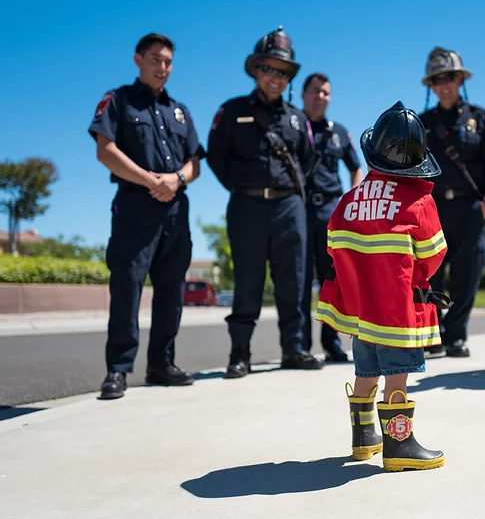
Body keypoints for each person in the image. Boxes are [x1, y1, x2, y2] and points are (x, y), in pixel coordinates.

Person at [316, 101, 451, 472]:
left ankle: (364, 440)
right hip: (397, 313)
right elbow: (433, 255)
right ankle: (399, 444)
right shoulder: (418, 201)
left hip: (361, 315)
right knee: (397, 374)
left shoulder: (349, 200)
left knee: (364, 371)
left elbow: (333, 248)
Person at [88, 33, 205, 400]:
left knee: (172, 291)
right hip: (135, 205)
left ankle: (161, 365)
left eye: (168, 61)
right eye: (155, 59)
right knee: (127, 286)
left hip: (175, 208)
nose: (163, 67)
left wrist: (176, 179)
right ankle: (118, 370)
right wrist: (151, 180)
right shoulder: (119, 101)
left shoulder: (179, 110)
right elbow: (105, 150)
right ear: (138, 59)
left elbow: (195, 163)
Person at [206, 26, 324, 378]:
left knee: (295, 281)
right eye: (269, 68)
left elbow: (310, 159)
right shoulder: (231, 111)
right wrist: (243, 186)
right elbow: (216, 157)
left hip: (289, 208)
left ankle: (295, 349)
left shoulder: (297, 118)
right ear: (256, 69)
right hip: (247, 207)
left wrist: (291, 190)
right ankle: (239, 354)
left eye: (283, 71)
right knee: (248, 281)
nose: (275, 77)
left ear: (289, 77)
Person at [418, 46, 485, 358]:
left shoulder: (480, 119)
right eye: (437, 79)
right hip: (433, 210)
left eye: (450, 78)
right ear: (431, 85)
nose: (444, 85)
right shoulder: (422, 124)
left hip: (470, 208)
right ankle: (434, 334)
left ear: (460, 79)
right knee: (430, 276)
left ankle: (456, 335)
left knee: (467, 274)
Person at [299, 72, 364, 362]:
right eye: (316, 91)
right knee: (298, 280)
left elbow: (355, 167)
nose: (321, 97)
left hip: (330, 210)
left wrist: (352, 202)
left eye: (326, 93)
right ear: (303, 94)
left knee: (332, 281)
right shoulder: (292, 124)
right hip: (298, 210)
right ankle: (299, 345)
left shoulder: (338, 130)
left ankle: (332, 343)